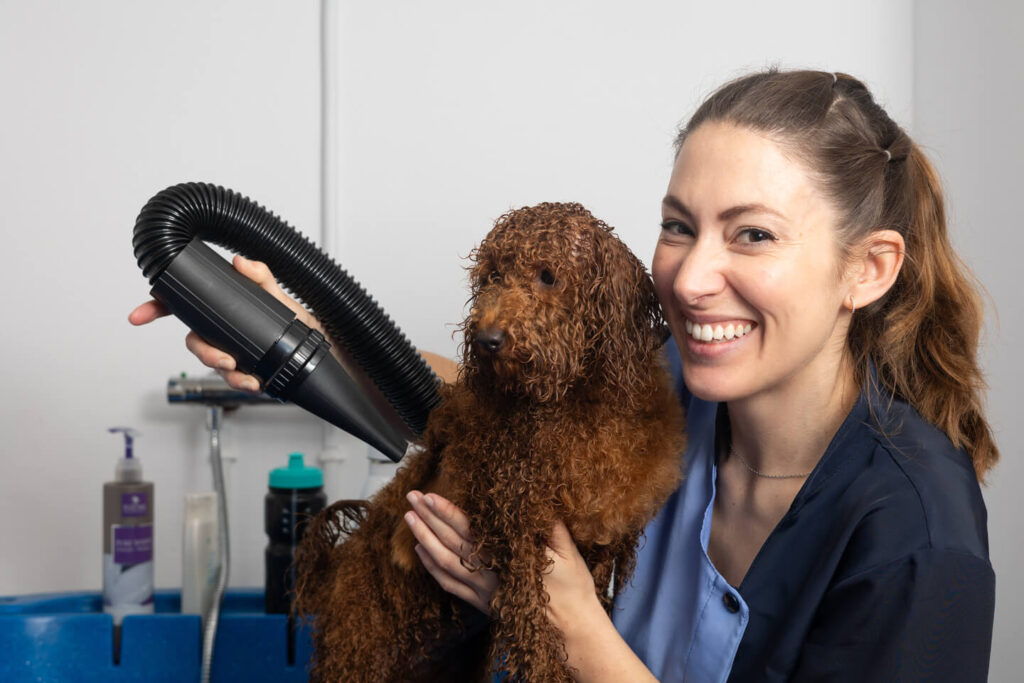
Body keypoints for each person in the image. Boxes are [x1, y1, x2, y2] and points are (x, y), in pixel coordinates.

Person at [130, 69, 997, 681]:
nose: (691, 279)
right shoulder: (681, 386)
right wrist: (301, 336)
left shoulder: (918, 542)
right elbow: (487, 405)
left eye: (753, 234)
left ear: (870, 269)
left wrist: (569, 623)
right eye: (677, 224)